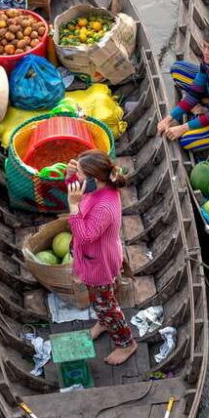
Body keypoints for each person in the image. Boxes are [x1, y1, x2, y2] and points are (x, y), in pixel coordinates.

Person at [65, 150, 137, 366]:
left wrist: (73, 206)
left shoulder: (105, 205)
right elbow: (75, 191)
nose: (76, 177)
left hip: (99, 263)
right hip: (95, 257)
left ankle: (126, 343)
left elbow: (85, 236)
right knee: (102, 299)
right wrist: (70, 177)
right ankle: (103, 322)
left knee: (107, 306)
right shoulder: (97, 188)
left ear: (94, 180)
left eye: (79, 174)